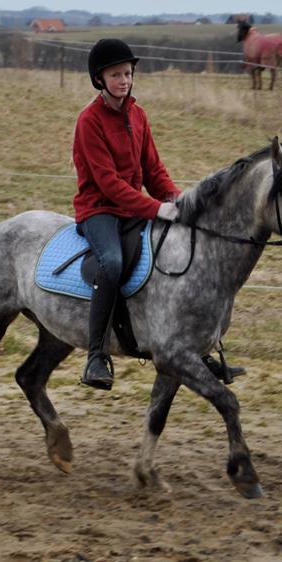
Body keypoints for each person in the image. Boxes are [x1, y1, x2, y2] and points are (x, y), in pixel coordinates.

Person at [72, 38, 180, 389]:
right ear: (99, 79)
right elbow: (108, 183)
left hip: (133, 208)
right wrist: (155, 208)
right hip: (99, 209)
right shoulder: (89, 121)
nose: (124, 80)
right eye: (116, 74)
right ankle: (96, 356)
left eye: (128, 73)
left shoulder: (138, 114)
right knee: (113, 264)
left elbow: (154, 170)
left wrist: (177, 200)